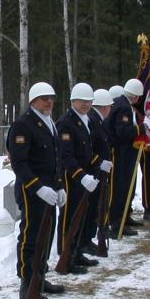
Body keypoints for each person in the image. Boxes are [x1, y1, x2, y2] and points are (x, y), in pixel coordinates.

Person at [6, 81, 67, 299]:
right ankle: (27, 281)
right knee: (31, 236)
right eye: (44, 98)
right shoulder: (23, 125)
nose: (49, 101)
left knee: (46, 234)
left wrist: (59, 185)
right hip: (32, 192)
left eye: (51, 97)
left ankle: (40, 277)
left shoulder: (49, 123)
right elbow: (20, 163)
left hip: (49, 189)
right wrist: (38, 187)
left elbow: (55, 159)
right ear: (33, 101)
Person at [55, 83, 101, 273]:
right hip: (71, 177)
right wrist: (80, 176)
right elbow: (66, 156)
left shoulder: (85, 119)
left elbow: (86, 150)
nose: (86, 104)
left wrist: (96, 164)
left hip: (83, 176)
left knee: (81, 215)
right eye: (82, 101)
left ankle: (76, 251)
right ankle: (66, 257)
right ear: (73, 101)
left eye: (89, 101)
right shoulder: (67, 122)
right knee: (69, 217)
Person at [106, 78, 146, 237]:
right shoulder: (123, 107)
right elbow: (123, 132)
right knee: (118, 188)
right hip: (119, 151)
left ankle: (123, 217)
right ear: (136, 96)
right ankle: (116, 223)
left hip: (124, 152)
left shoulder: (122, 104)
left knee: (124, 186)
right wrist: (140, 129)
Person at [82, 88, 114, 253]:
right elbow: (90, 148)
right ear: (104, 107)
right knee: (90, 208)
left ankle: (88, 239)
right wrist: (99, 162)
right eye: (109, 106)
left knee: (95, 207)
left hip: (97, 170)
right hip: (92, 171)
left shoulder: (96, 120)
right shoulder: (93, 120)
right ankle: (85, 240)